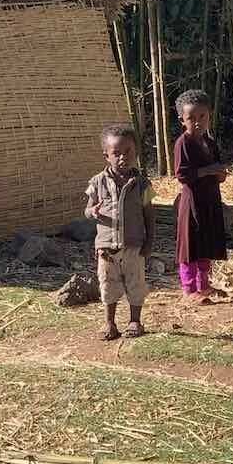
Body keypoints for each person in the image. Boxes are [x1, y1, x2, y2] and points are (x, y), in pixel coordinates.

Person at [84, 125, 154, 340]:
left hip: (134, 245)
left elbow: (149, 214)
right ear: (106, 155)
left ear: (136, 153)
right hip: (106, 247)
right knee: (108, 284)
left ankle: (135, 321)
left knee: (136, 283)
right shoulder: (97, 182)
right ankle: (110, 323)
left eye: (128, 152)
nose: (123, 157)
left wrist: (149, 241)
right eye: (116, 153)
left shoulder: (142, 184)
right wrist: (92, 211)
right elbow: (87, 210)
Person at [173, 89, 229, 303]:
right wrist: (209, 170)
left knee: (206, 242)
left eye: (202, 117)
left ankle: (204, 285)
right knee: (191, 245)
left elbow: (218, 172)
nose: (197, 122)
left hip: (210, 199)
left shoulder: (210, 143)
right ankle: (189, 289)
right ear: (182, 120)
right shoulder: (183, 143)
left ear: (209, 116)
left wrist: (220, 173)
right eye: (191, 118)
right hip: (192, 201)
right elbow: (182, 174)